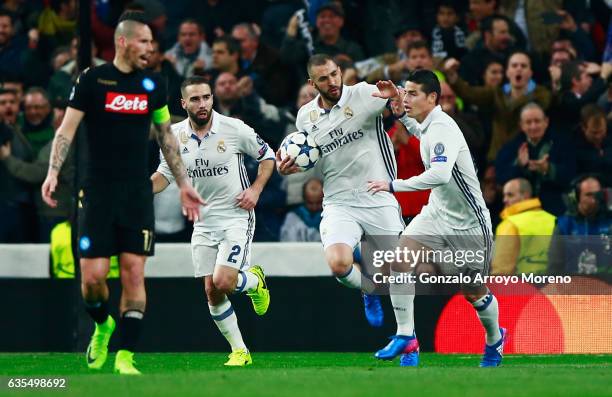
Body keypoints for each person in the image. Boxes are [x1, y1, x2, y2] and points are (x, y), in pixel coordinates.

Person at [40, 11, 203, 375]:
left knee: (133, 274)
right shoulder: (92, 80)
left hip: (136, 193)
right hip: (96, 192)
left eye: (151, 42)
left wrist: (184, 184)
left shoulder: (152, 84)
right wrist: (53, 172)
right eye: (144, 41)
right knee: (93, 280)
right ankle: (103, 325)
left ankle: (126, 356)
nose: (150, 48)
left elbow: (165, 135)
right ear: (123, 42)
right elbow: (66, 130)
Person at [276, 54, 409, 364]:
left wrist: (398, 97)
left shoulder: (363, 93)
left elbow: (403, 102)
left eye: (334, 74)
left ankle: (407, 336)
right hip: (338, 201)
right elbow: (314, 160)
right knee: (338, 263)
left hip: (378, 195)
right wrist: (294, 170)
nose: (332, 82)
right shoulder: (305, 118)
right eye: (323, 78)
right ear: (312, 84)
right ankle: (368, 289)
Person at [368, 70, 504, 367]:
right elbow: (419, 134)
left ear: (432, 97)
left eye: (414, 93)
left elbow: (440, 175)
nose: (407, 98)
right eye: (407, 92)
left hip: (470, 224)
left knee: (473, 291)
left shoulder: (444, 128)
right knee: (399, 260)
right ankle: (406, 336)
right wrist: (400, 115)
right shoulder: (428, 126)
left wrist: (393, 185)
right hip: (437, 214)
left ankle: (495, 340)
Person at [151, 76, 273, 366]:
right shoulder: (173, 135)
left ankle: (254, 281)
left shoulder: (233, 128)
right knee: (211, 291)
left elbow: (268, 157)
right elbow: (165, 174)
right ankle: (240, 351)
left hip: (236, 216)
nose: (202, 103)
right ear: (183, 103)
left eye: (206, 97)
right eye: (195, 99)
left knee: (223, 280)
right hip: (203, 222)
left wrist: (255, 190)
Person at [491, 178, 556, 275]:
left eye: (510, 195)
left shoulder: (510, 224)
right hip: (553, 285)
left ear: (525, 195)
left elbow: (502, 269)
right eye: (504, 195)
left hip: (522, 287)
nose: (504, 200)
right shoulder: (553, 219)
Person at [549, 175, 611, 274]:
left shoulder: (609, 221)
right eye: (588, 195)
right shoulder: (565, 225)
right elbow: (554, 267)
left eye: (597, 194)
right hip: (574, 286)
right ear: (575, 197)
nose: (594, 200)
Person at [280, 178, 324, 242]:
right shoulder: (292, 217)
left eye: (319, 203)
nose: (314, 207)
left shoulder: (331, 216)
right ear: (304, 199)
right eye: (310, 203)